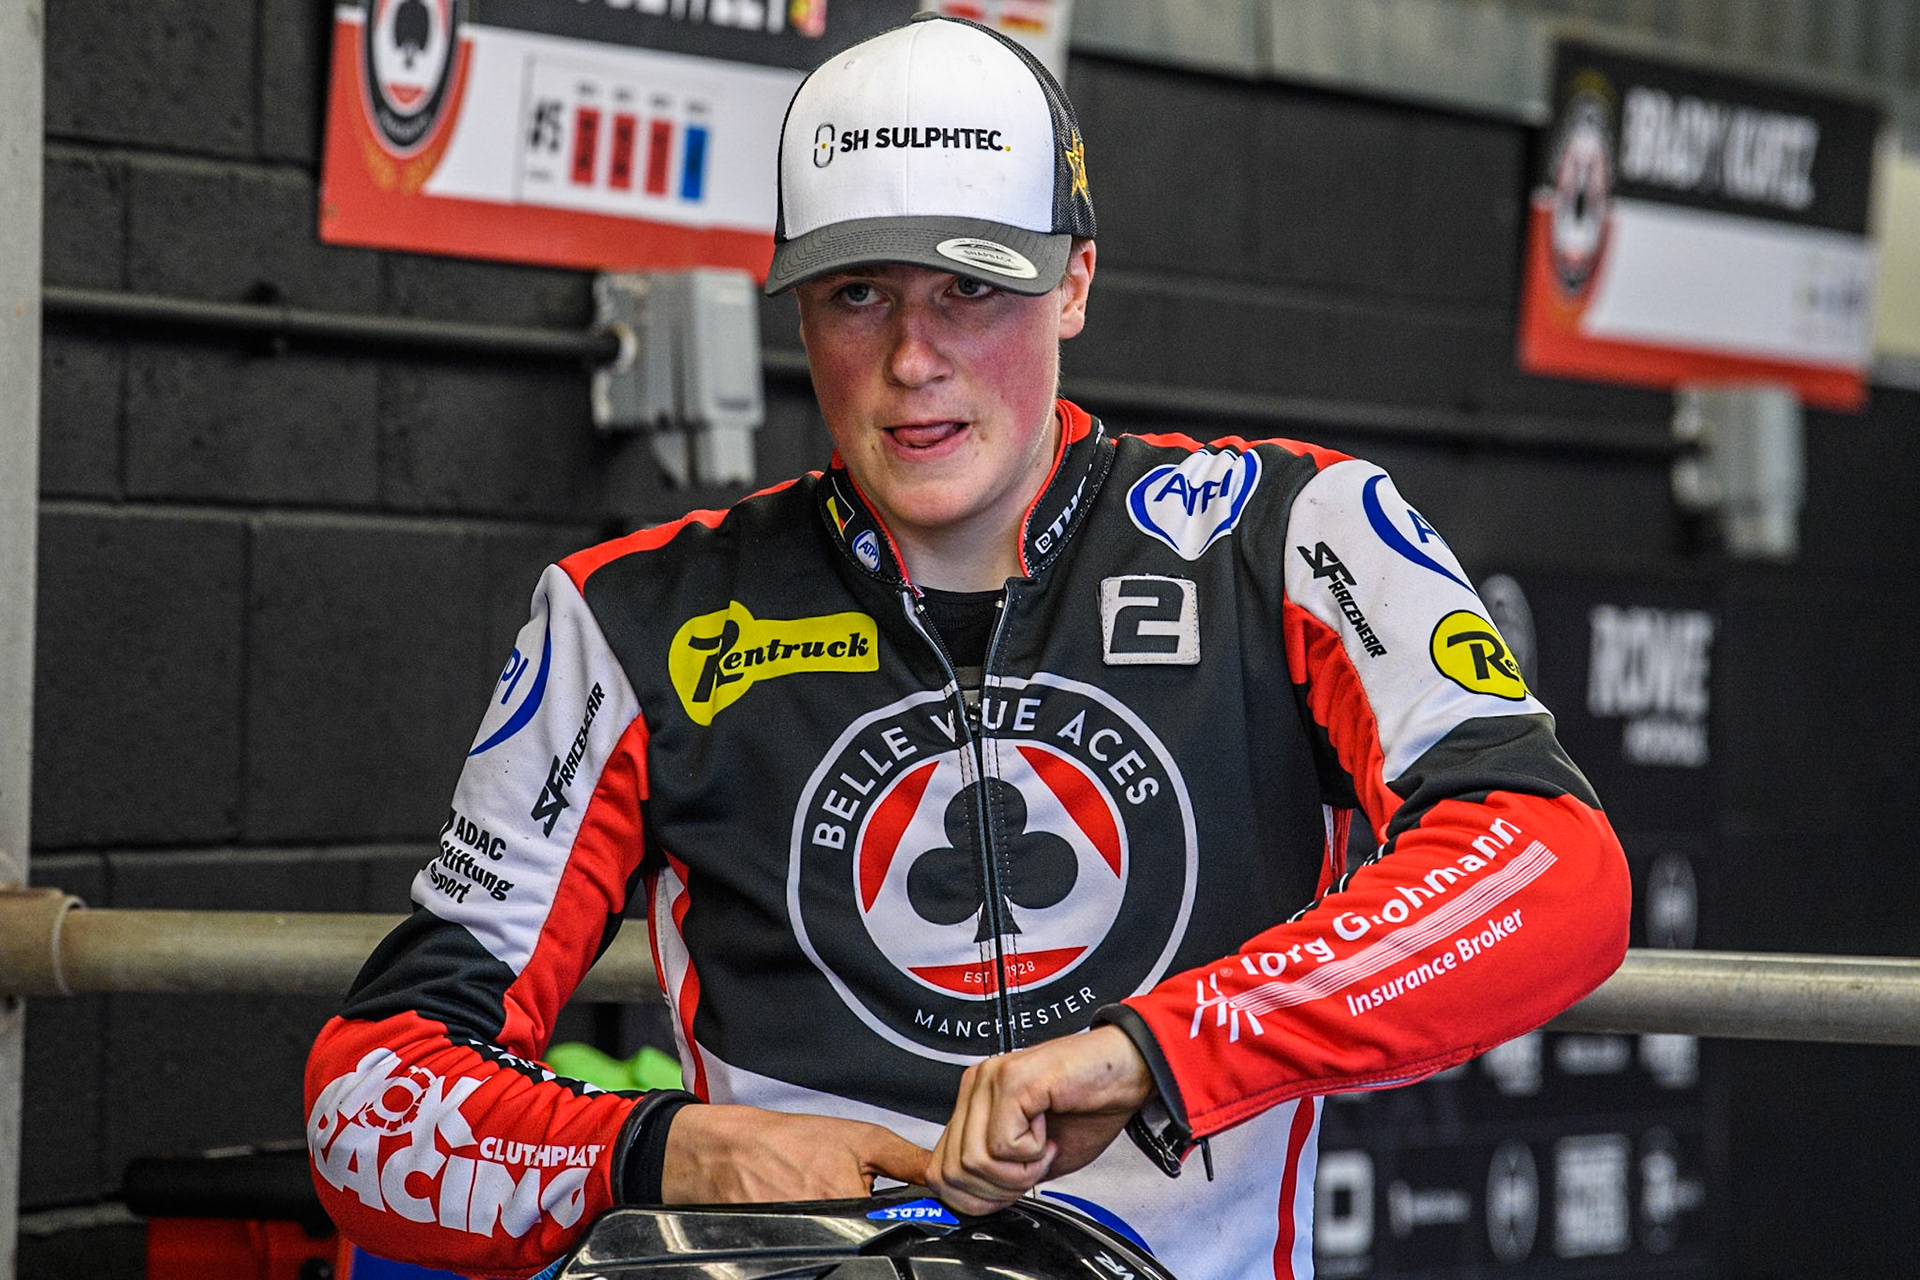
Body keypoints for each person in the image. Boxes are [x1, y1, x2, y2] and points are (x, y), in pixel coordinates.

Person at [305, 14, 1631, 1280]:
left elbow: (1552, 866)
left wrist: (1152, 1051)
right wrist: (660, 1150)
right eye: (858, 292)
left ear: (1075, 280)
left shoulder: (1282, 536)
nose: (913, 358)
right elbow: (370, 1104)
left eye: (970, 286)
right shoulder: (630, 617)